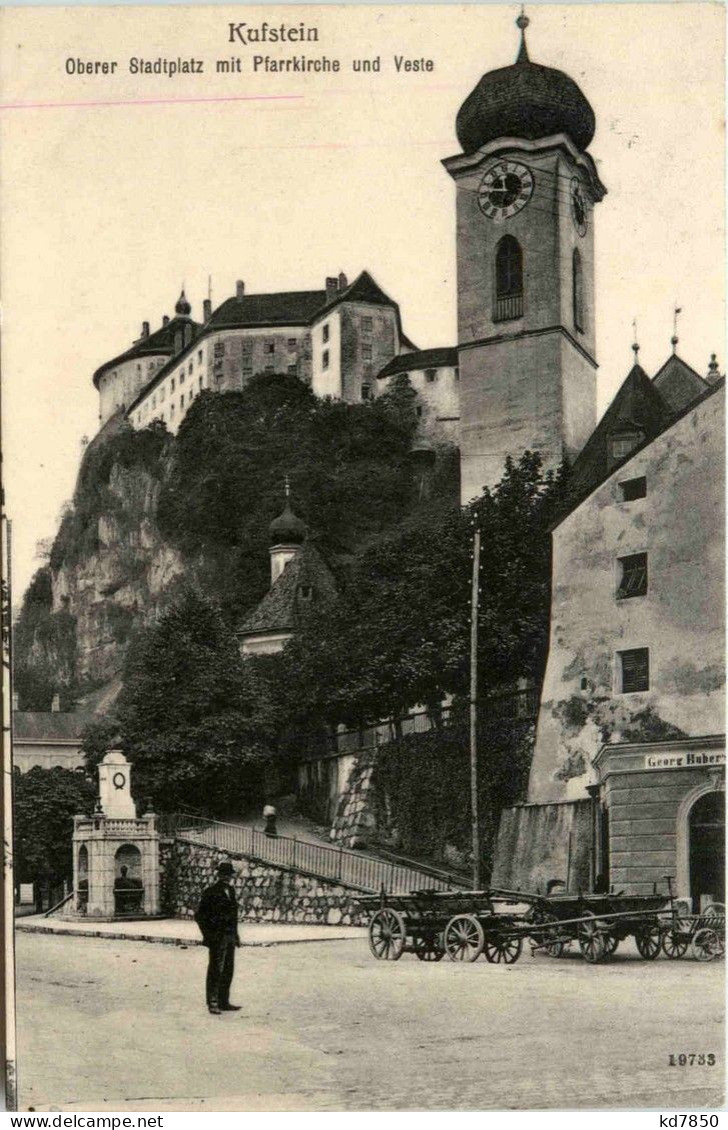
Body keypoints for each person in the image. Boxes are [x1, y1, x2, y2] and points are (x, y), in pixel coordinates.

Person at [194, 860, 241, 1015]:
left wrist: (236, 935)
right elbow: (200, 916)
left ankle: (223, 1001)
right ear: (219, 875)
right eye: (224, 874)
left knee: (228, 969)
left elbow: (233, 916)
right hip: (217, 937)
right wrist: (209, 936)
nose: (227, 877)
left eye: (229, 874)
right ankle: (212, 1002)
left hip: (229, 936)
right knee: (215, 969)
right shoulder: (210, 892)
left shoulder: (231, 891)